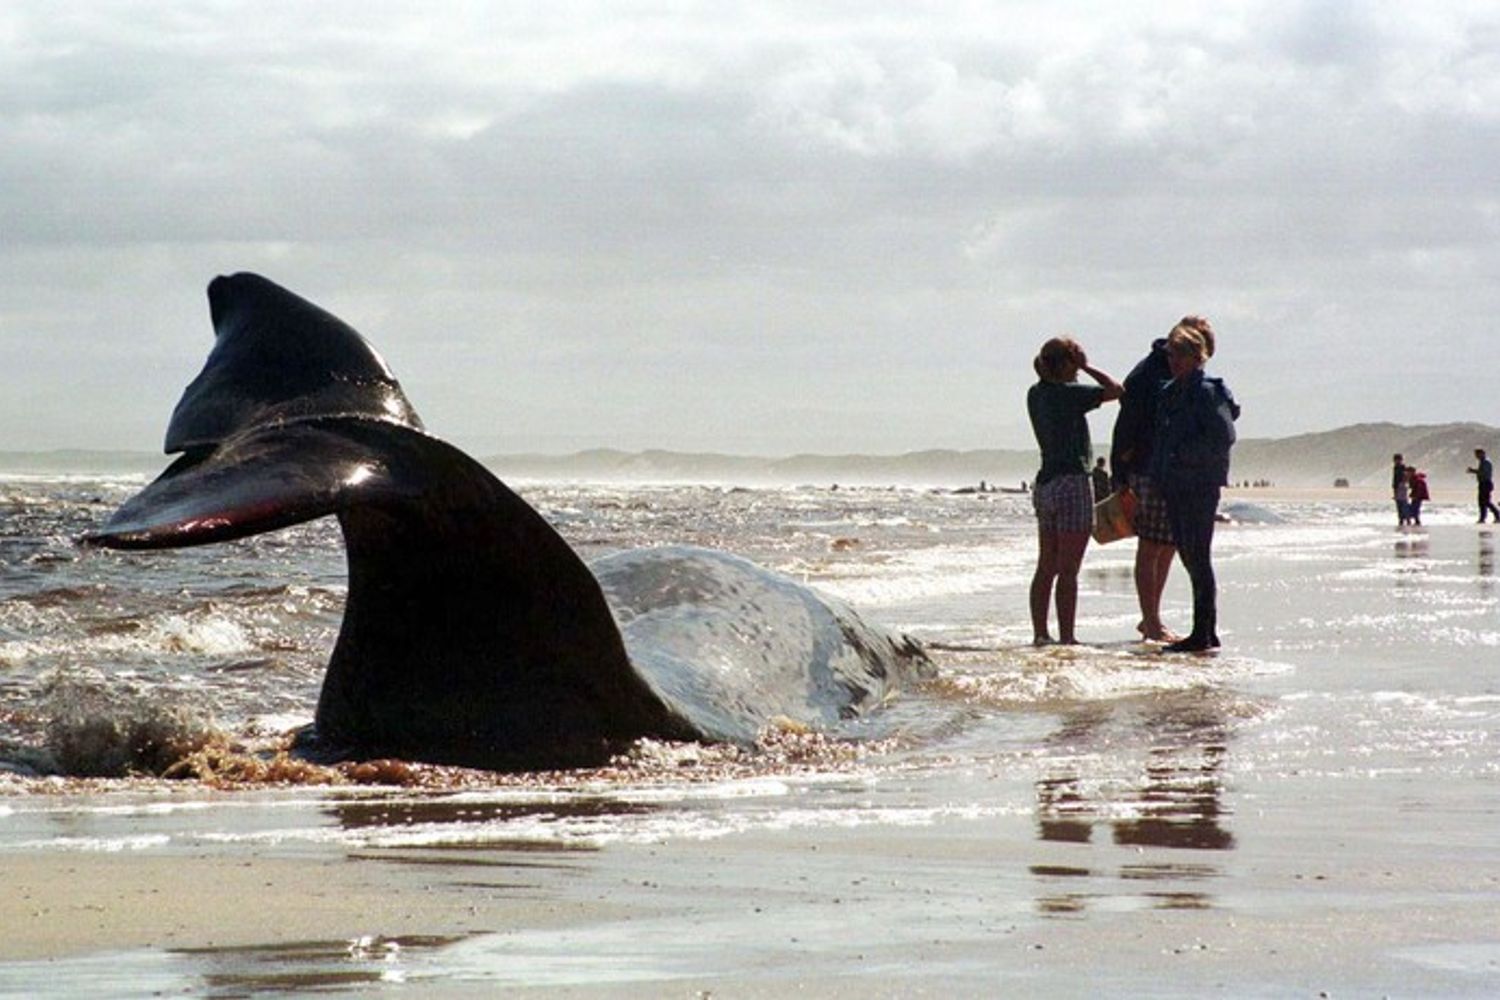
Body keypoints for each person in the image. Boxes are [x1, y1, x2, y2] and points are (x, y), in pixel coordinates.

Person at [1109, 315, 1215, 642]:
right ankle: (1151, 620)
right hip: (1148, 467)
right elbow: (1126, 424)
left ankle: (1152, 618)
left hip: (1169, 471)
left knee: (1166, 544)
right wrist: (1120, 473)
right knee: (1151, 545)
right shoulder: (1150, 374)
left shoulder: (1172, 373)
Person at [1026, 336, 1123, 645]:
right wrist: (1088, 366)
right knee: (1069, 570)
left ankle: (1041, 634)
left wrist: (1074, 364)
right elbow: (1116, 390)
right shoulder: (1068, 394)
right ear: (1067, 363)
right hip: (1072, 481)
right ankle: (1067, 637)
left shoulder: (1036, 393)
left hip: (1045, 483)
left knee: (1046, 566)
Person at [1150, 323, 1239, 653]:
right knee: (1189, 555)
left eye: (1179, 355)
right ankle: (1203, 632)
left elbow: (1224, 436)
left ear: (1196, 357)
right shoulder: (1171, 391)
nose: (1173, 361)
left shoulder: (1207, 391)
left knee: (1198, 556)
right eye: (1171, 356)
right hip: (1174, 483)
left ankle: (1204, 632)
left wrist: (1183, 457)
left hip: (1199, 484)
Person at [1467, 448, 1500, 523]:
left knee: (1486, 502)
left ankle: (1497, 515)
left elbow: (1483, 473)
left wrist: (1473, 471)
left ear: (1482, 454)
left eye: (1477, 454)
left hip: (1486, 484)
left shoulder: (1486, 462)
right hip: (1483, 484)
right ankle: (1483, 518)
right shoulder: (1483, 462)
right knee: (1482, 502)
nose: (1476, 456)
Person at [1391, 454, 1409, 526]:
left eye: (1398, 460)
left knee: (1403, 503)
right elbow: (1394, 478)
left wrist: (1404, 483)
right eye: (1395, 460)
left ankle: (1406, 519)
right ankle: (1401, 519)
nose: (1396, 461)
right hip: (1397, 486)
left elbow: (1405, 477)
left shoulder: (1402, 467)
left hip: (1401, 486)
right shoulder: (1395, 467)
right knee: (1398, 503)